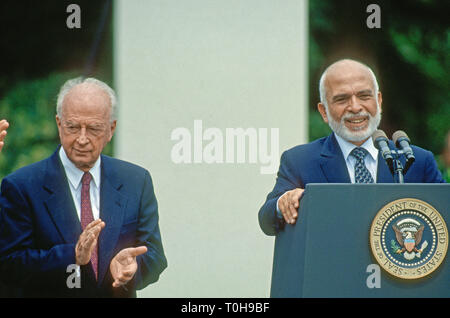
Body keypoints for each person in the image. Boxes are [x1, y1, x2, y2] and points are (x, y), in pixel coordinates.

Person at [0, 77, 167, 297]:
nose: (81, 139)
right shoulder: (21, 186)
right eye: (73, 127)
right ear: (59, 124)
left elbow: (155, 256)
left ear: (111, 129)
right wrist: (72, 256)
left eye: (94, 129)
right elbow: (9, 265)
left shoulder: (136, 180)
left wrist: (132, 269)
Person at [258, 59, 445, 236]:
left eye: (364, 96)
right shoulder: (300, 161)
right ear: (324, 111)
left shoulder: (416, 160)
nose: (355, 107)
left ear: (379, 102)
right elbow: (267, 220)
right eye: (342, 99)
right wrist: (283, 203)